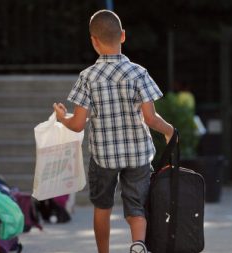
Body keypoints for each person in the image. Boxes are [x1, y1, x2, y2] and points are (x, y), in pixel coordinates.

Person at [53, 9, 174, 253]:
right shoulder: (139, 73)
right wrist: (169, 130)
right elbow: (150, 118)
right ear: (123, 36)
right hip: (137, 154)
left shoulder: (87, 77)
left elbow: (77, 124)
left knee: (102, 206)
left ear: (93, 41)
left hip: (104, 157)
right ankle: (138, 245)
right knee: (137, 206)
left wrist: (61, 118)